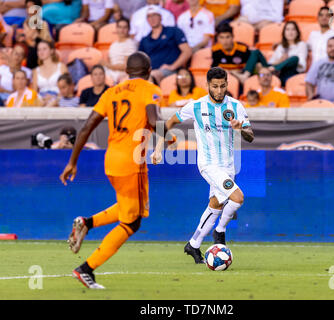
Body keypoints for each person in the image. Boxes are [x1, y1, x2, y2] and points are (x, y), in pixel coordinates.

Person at [59, 51, 163, 289]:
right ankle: (86, 268)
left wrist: (72, 161)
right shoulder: (148, 89)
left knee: (130, 208)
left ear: (127, 72)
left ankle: (86, 222)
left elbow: (86, 127)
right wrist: (170, 137)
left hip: (112, 161)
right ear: (148, 71)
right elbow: (155, 120)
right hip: (132, 163)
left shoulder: (111, 91)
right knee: (133, 222)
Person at [151, 67, 254, 264]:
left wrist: (241, 128)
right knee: (238, 198)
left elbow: (250, 136)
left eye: (223, 86)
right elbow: (168, 123)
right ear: (207, 85)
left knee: (215, 204)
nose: (219, 90)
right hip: (208, 164)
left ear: (227, 84)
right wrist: (157, 148)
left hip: (228, 166)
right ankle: (220, 231)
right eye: (215, 86)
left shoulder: (236, 106)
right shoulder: (196, 106)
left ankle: (194, 244)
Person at [139, 5, 192, 84]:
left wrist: (172, 66)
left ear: (160, 17)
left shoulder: (173, 31)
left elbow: (187, 51)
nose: (152, 18)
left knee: (152, 76)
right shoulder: (144, 39)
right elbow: (141, 61)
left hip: (171, 70)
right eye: (149, 16)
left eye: (154, 15)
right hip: (151, 71)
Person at [267, 21, 308, 86]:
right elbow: (271, 63)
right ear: (284, 33)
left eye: (293, 29)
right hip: (279, 74)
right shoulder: (281, 46)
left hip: (292, 74)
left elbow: (302, 65)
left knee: (294, 58)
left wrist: (287, 61)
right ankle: (275, 70)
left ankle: (276, 69)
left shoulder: (301, 44)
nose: (290, 32)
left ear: (297, 32)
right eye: (287, 29)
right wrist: (280, 61)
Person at [32, 40, 68, 107]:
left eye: (44, 49)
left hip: (58, 98)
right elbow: (34, 92)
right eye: (39, 50)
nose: (41, 52)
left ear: (51, 51)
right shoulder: (36, 71)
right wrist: (42, 99)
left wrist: (54, 97)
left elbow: (66, 87)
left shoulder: (61, 67)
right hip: (41, 99)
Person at [102, 17, 138, 84]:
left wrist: (107, 65)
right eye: (120, 27)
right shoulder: (114, 44)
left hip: (121, 75)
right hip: (111, 72)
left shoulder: (130, 44)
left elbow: (126, 66)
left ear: (129, 29)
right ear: (116, 29)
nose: (122, 30)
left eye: (125, 27)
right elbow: (109, 60)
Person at [19, 0, 53, 69]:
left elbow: (47, 41)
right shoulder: (24, 23)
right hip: (29, 51)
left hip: (42, 49)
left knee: (35, 46)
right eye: (27, 7)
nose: (29, 10)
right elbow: (22, 38)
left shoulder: (45, 23)